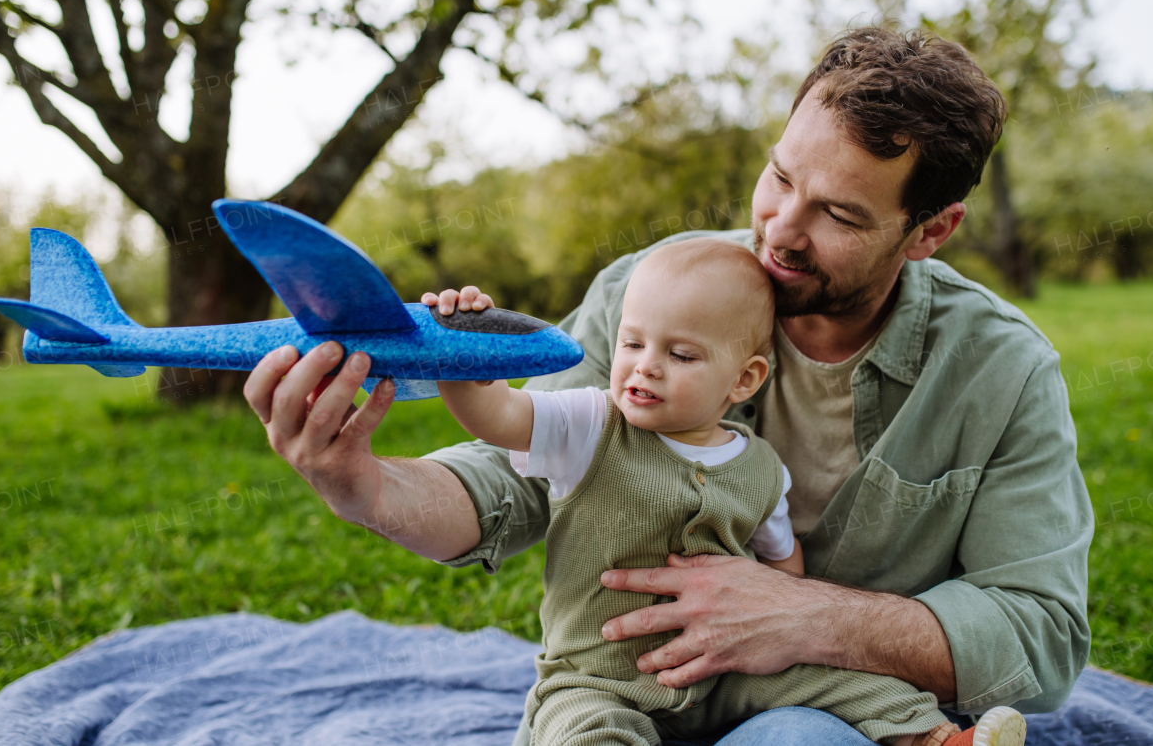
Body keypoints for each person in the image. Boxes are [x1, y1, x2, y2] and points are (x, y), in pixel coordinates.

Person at [242, 26, 1093, 745]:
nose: (781, 233)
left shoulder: (1002, 371)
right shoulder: (652, 292)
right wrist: (362, 486)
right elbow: (511, 476)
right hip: (618, 690)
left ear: (930, 230)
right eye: (781, 179)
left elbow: (1042, 633)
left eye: (838, 215)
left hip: (813, 706)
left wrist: (804, 614)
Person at [424, 237, 1026, 746]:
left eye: (680, 354)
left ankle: (936, 737)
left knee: (833, 678)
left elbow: (783, 569)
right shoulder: (589, 423)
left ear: (744, 379)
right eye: (633, 343)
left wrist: (793, 624)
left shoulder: (762, 467)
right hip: (600, 674)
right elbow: (499, 416)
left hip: (725, 671)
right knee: (584, 730)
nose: (645, 366)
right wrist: (462, 358)